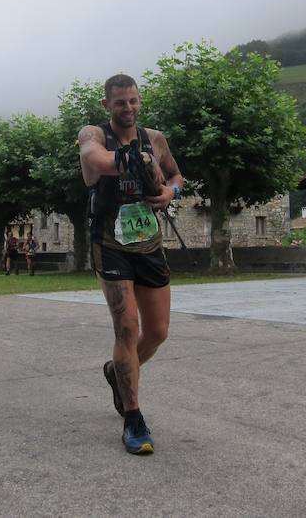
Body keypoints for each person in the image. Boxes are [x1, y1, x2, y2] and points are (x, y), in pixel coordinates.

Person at [78, 73, 183, 455]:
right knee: (126, 327)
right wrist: (134, 161)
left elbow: (176, 174)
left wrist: (171, 191)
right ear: (107, 105)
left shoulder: (155, 139)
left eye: (134, 101)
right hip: (110, 243)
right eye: (121, 102)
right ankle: (133, 417)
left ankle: (116, 373)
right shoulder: (93, 134)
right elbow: (96, 161)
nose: (129, 108)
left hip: (149, 244)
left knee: (157, 332)